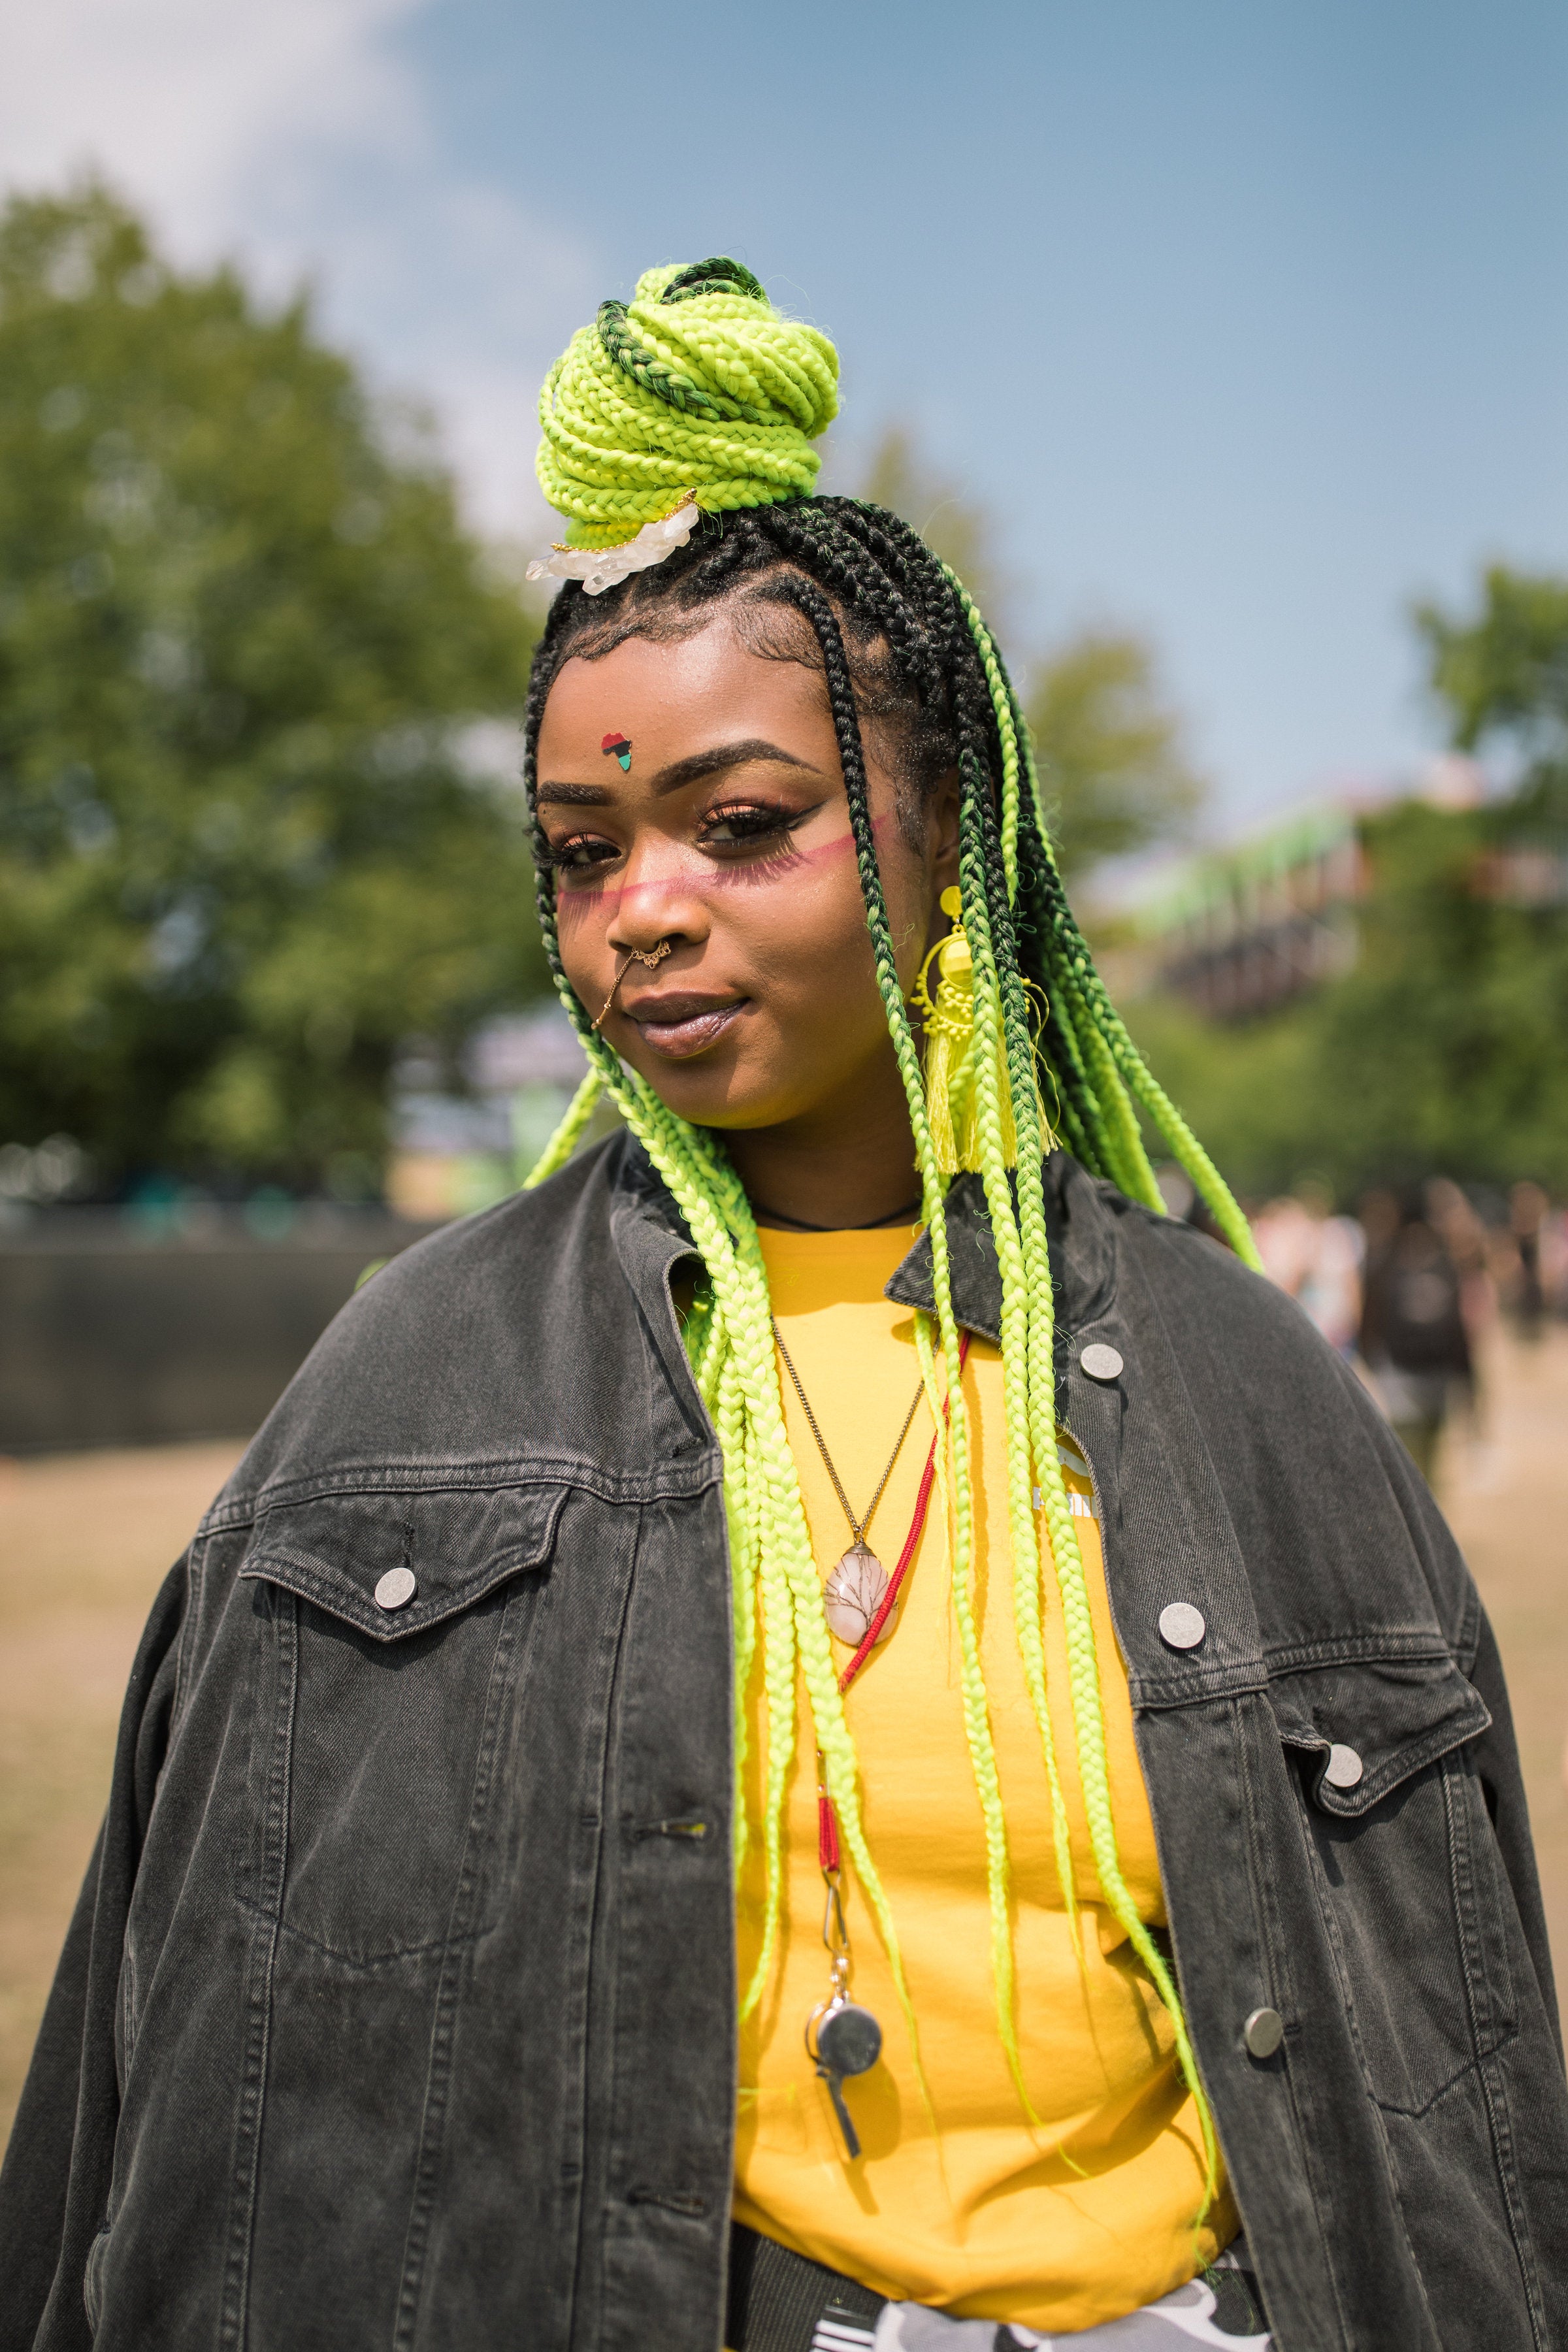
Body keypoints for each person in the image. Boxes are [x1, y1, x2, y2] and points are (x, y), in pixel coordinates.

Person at [3, 259, 1564, 2352]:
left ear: (944, 842)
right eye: (581, 851)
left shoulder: (1241, 1384)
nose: (644, 911)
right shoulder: (410, 1378)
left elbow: (1460, 2100)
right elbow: (155, 2061)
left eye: (741, 827)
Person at [1358, 1189, 1474, 1483]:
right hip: (1416, 1369)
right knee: (1418, 1447)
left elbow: (1371, 1314)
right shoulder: (1442, 1261)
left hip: (1416, 1368)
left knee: (1412, 1447)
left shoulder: (1387, 1260)